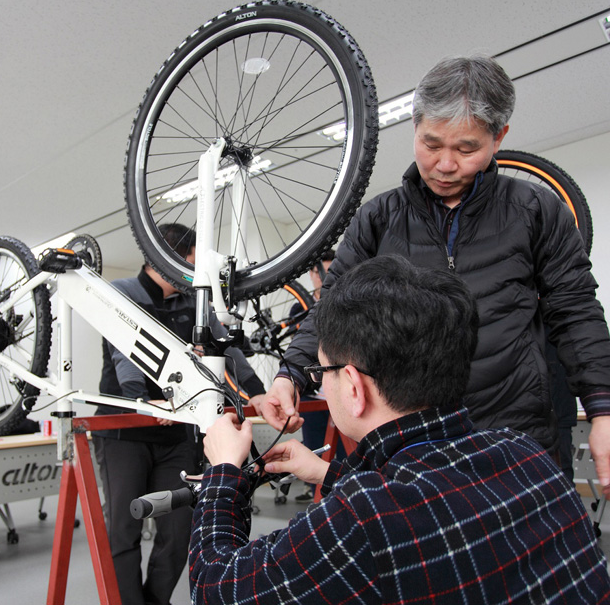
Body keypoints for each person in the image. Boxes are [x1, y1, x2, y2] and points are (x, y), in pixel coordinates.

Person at [258, 54, 610, 496]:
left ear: (499, 137)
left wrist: (603, 412)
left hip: (514, 434)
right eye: (431, 144)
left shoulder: (536, 211)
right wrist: (288, 375)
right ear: (414, 126)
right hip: (408, 440)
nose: (445, 164)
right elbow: (332, 307)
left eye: (466, 150)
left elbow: (576, 312)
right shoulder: (378, 219)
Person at [190, 255, 610, 604]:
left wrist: (224, 472)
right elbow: (426, 501)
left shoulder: (360, 519)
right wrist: (326, 473)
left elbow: (215, 590)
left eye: (320, 371)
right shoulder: (526, 455)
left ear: (353, 386)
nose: (320, 382)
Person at [92, 223, 265, 605]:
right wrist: (144, 400)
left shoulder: (193, 303)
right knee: (124, 531)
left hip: (176, 436)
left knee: (178, 531)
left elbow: (226, 349)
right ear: (165, 258)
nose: (196, 272)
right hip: (126, 433)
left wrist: (260, 393)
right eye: (191, 262)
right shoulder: (122, 293)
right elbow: (126, 353)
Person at [290, 250, 346, 502]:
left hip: (341, 393)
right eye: (319, 272)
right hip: (312, 394)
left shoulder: (344, 302)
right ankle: (318, 504)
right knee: (314, 452)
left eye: (329, 271)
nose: (323, 277)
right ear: (312, 274)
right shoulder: (297, 307)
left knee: (346, 455)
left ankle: (345, 502)